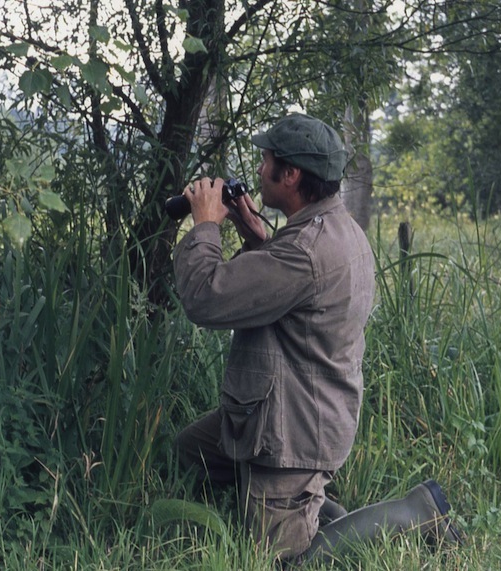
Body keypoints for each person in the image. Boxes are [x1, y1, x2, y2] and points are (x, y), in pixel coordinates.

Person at [172, 113, 461, 563]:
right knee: (191, 455)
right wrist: (258, 241)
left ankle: (412, 514)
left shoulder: (304, 251)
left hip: (291, 432)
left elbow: (205, 299)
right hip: (297, 409)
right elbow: (288, 299)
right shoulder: (337, 231)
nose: (259, 169)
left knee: (283, 563)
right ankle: (310, 506)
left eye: (267, 160)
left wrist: (205, 225)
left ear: (290, 175)